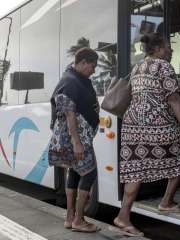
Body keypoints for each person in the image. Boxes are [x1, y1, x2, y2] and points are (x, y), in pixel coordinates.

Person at [112, 33, 180, 237]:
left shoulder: (137, 67)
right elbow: (173, 99)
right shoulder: (163, 67)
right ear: (156, 49)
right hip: (158, 126)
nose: (171, 50)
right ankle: (165, 202)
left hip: (132, 126)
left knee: (135, 170)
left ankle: (123, 215)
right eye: (167, 47)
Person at [48, 47, 100, 233]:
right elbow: (69, 114)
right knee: (89, 174)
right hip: (76, 139)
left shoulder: (76, 79)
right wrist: (77, 141)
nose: (93, 70)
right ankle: (79, 219)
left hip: (76, 137)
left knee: (76, 173)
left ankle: (70, 217)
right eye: (92, 66)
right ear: (83, 62)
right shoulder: (70, 82)